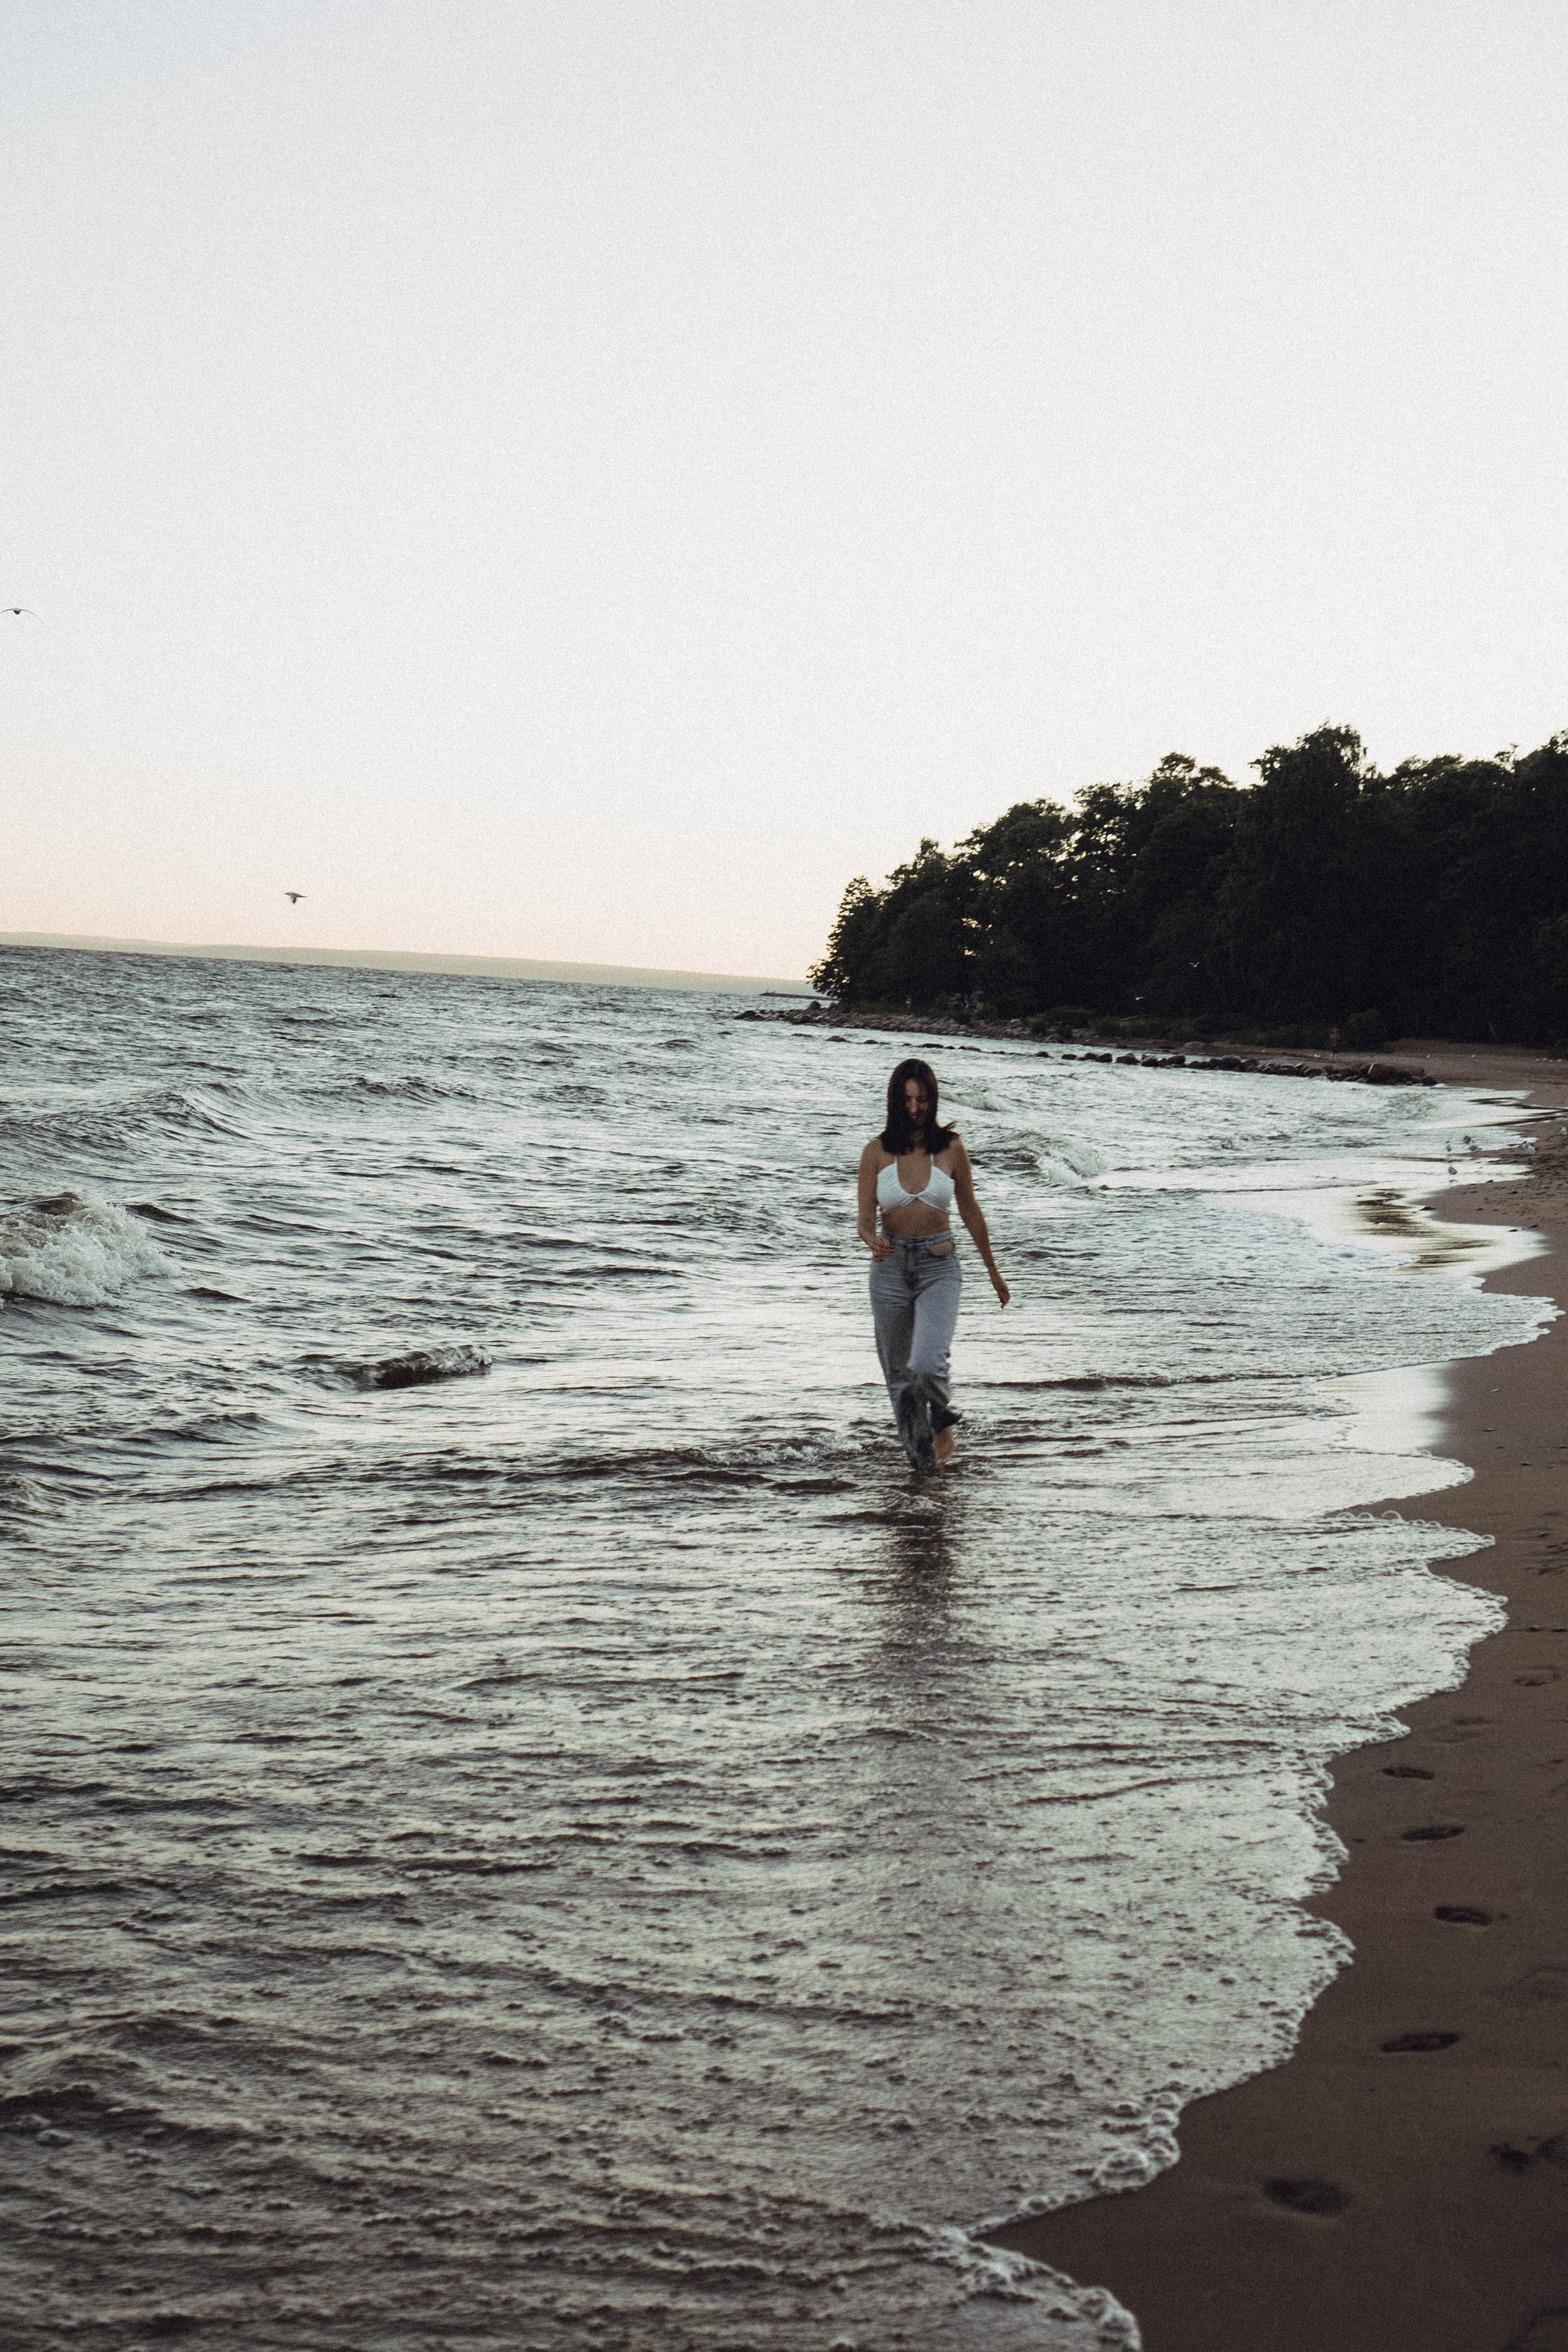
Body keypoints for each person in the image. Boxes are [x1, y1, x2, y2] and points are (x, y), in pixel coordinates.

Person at [858, 1058, 1009, 1471]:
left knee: (926, 1363)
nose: (915, 1109)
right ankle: (923, 1472)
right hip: (889, 1271)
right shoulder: (875, 1152)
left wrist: (993, 1271)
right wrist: (871, 1240)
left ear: (933, 1100)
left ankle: (941, 1417)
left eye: (922, 1100)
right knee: (900, 1382)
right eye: (907, 1100)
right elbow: (864, 1221)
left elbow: (972, 1212)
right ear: (894, 1101)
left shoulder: (952, 1148)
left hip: (939, 1267)